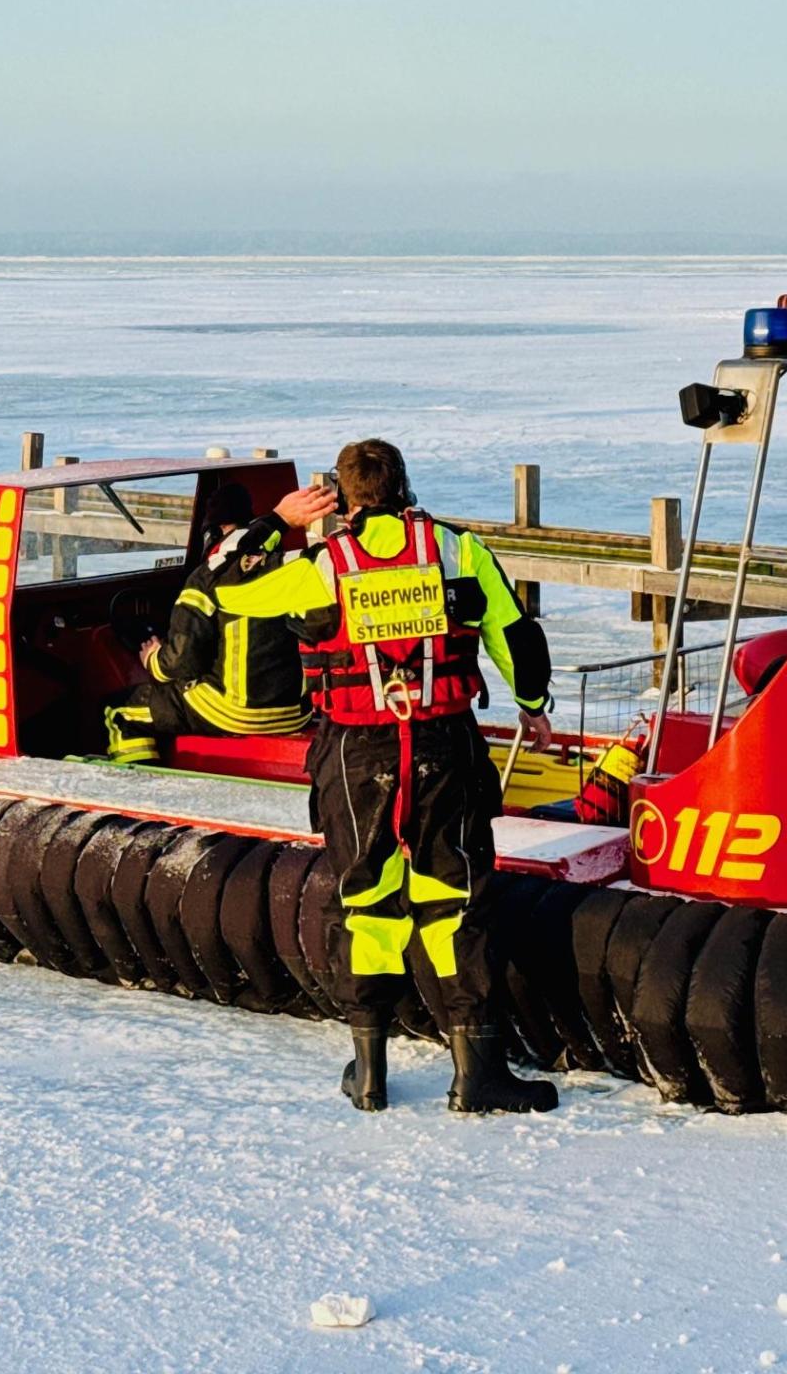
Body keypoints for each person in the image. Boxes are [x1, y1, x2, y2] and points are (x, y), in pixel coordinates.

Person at [214, 439, 558, 1115]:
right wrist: (533, 703)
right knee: (454, 902)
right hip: (442, 746)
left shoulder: (323, 565)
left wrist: (277, 521)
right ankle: (477, 1073)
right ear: (404, 486)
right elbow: (515, 633)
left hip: (354, 753)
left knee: (367, 904)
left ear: (343, 497)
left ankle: (369, 1073)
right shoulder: (457, 551)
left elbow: (224, 585)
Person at [101, 483, 312, 762]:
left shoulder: (208, 576)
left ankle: (138, 785)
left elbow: (181, 662)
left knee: (121, 711)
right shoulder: (285, 567)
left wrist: (153, 659)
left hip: (234, 711)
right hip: (295, 710)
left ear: (216, 531)